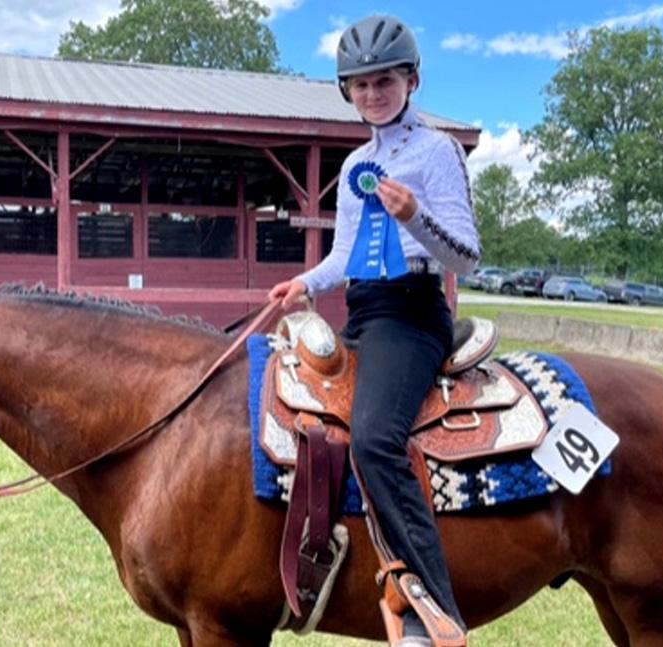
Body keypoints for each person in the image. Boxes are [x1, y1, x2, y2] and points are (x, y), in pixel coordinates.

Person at [268, 14, 479, 647]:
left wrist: (415, 217)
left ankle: (434, 610)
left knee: (375, 438)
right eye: (359, 85)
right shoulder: (357, 161)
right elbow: (345, 257)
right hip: (361, 313)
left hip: (413, 317)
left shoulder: (438, 152)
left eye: (383, 81)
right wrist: (305, 283)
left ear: (411, 80)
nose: (371, 95)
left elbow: (466, 256)